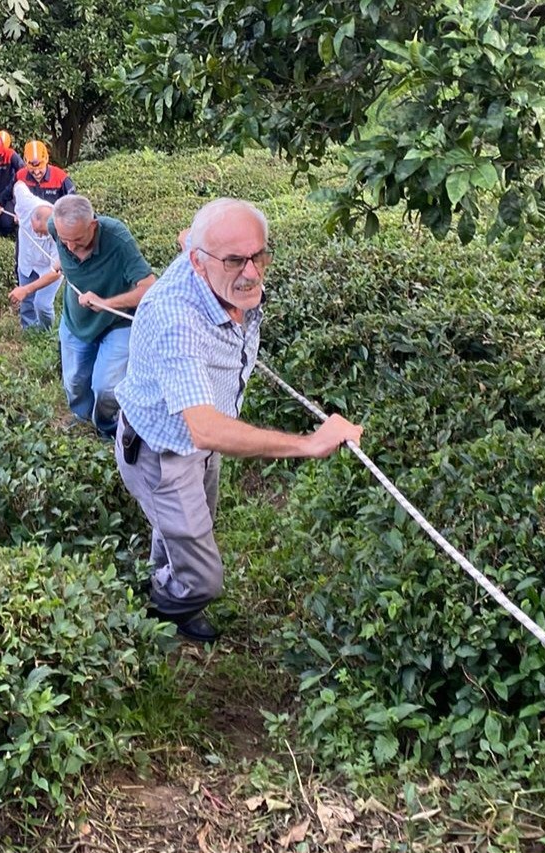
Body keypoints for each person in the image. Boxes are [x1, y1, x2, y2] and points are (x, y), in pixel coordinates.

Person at [114, 199, 365, 642]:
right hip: (161, 450)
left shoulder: (206, 261)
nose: (251, 273)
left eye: (258, 255)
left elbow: (193, 243)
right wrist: (309, 443)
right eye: (234, 260)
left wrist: (211, 246)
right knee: (205, 575)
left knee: (189, 530)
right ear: (199, 262)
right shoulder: (177, 320)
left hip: (201, 447)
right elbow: (205, 427)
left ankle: (165, 580)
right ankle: (163, 608)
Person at [49, 194, 157, 437]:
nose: (71, 247)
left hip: (116, 322)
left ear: (93, 225)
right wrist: (60, 260)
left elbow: (150, 287)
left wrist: (106, 303)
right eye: (64, 241)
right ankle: (82, 415)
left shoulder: (117, 239)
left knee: (106, 387)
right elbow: (44, 226)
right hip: (76, 322)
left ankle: (107, 428)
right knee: (75, 380)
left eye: (77, 239)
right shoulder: (55, 228)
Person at [8, 182, 63, 331]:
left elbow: (55, 273)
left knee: (42, 304)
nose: (39, 234)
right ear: (32, 218)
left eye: (43, 232)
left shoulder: (61, 232)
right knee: (26, 302)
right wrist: (14, 208)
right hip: (27, 261)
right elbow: (18, 184)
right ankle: (29, 331)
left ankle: (46, 333)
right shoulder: (26, 203)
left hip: (48, 268)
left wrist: (25, 289)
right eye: (37, 230)